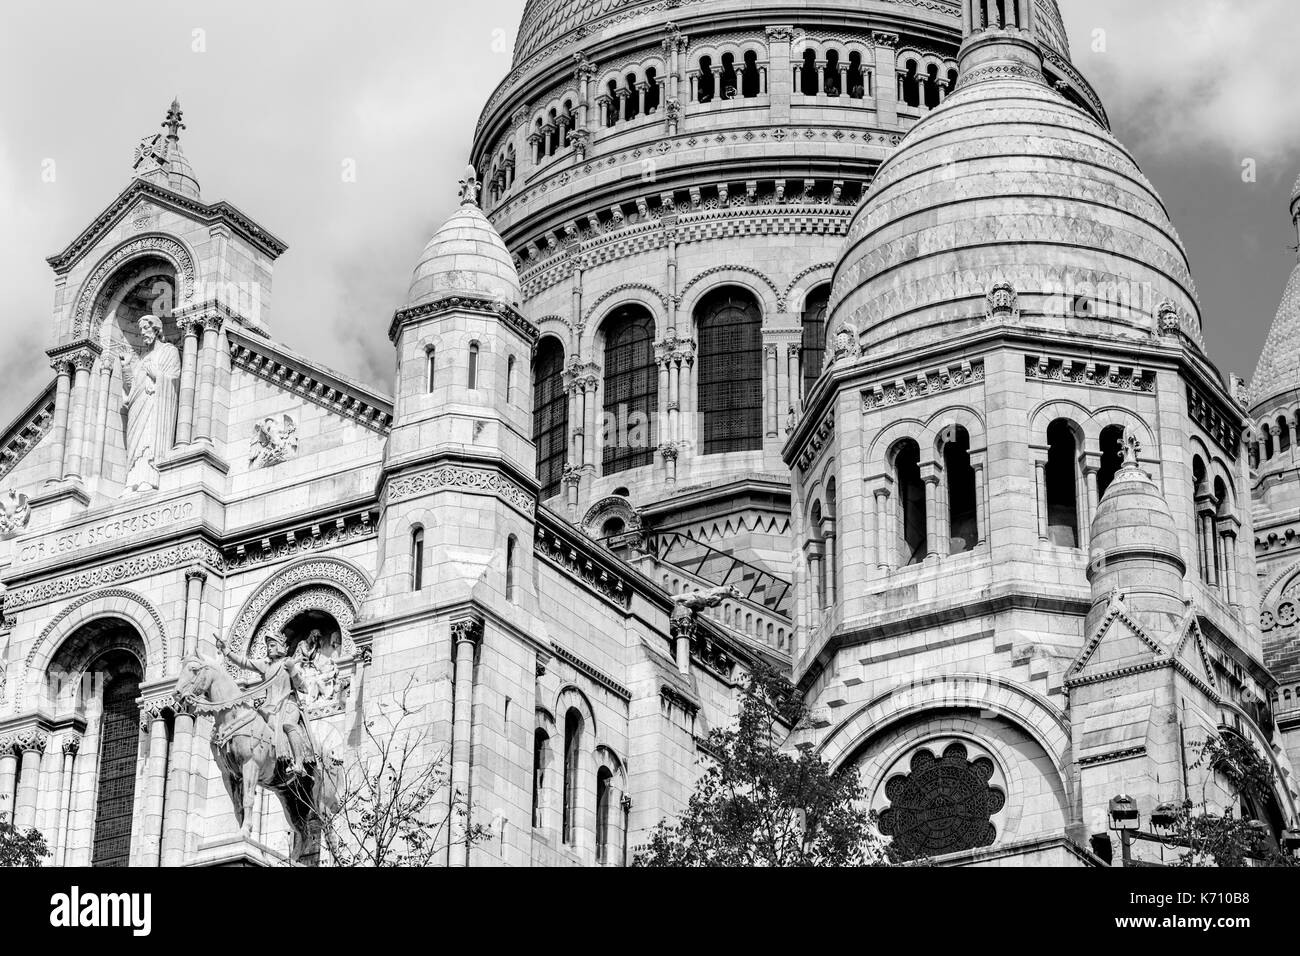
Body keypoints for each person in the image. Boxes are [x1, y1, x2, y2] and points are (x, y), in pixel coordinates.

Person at [216, 631, 314, 777]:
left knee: (287, 724)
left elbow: (302, 687)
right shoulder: (266, 665)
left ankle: (299, 764)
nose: (269, 648)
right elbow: (244, 663)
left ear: (281, 647)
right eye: (268, 646)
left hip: (288, 704)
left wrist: (292, 669)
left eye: (273, 645)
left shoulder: (289, 663)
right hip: (269, 707)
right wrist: (226, 651)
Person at [120, 314, 181, 493]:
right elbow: (133, 386)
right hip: (138, 407)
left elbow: (174, 379)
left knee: (149, 440)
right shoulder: (142, 358)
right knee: (136, 443)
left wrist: (157, 375)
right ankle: (132, 482)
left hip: (157, 406)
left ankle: (149, 478)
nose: (142, 333)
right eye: (140, 330)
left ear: (156, 328)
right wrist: (126, 366)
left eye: (145, 328)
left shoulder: (169, 351)